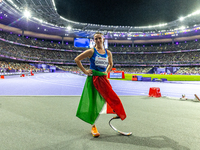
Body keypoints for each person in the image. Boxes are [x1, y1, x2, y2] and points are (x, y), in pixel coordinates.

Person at [75, 32, 126, 137]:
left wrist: (106, 72)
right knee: (93, 103)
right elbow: (77, 59)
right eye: (96, 39)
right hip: (93, 79)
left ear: (103, 39)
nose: (98, 40)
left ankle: (118, 111)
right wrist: (85, 71)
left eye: (99, 38)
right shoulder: (91, 51)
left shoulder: (108, 53)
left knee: (112, 96)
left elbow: (111, 64)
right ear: (94, 40)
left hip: (103, 79)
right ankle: (93, 127)